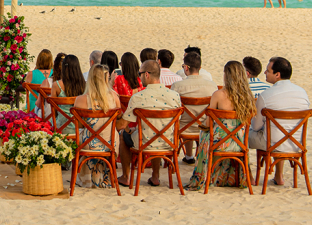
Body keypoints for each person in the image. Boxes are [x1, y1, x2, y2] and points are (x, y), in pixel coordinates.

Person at [184, 60, 257, 190]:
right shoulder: (248, 97)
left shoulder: (218, 95)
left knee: (204, 134)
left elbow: (208, 122)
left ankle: (204, 177)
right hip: (239, 142)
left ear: (226, 76)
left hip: (220, 142)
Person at [116, 60, 181, 188]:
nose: (138, 76)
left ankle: (126, 176)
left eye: (139, 73)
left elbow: (122, 125)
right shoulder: (174, 96)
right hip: (168, 141)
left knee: (124, 134)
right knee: (158, 131)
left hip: (144, 141)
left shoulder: (139, 97)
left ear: (146, 74)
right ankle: (155, 176)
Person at [249, 57, 311, 186]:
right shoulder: (302, 93)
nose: (265, 73)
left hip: (273, 144)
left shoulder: (266, 95)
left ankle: (248, 177)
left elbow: (256, 127)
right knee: (278, 131)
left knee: (240, 134)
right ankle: (278, 176)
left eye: (268, 71)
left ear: (277, 75)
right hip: (296, 143)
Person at [73, 65, 121, 188]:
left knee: (80, 135)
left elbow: (78, 125)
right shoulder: (114, 97)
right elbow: (117, 119)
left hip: (88, 144)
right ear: (106, 79)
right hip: (110, 143)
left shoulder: (81, 100)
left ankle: (87, 178)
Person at [171, 51, 219, 164]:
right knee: (194, 117)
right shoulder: (212, 85)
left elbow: (173, 109)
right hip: (205, 126)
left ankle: (188, 156)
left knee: (187, 117)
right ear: (200, 68)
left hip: (183, 128)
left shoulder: (177, 86)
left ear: (186, 68)